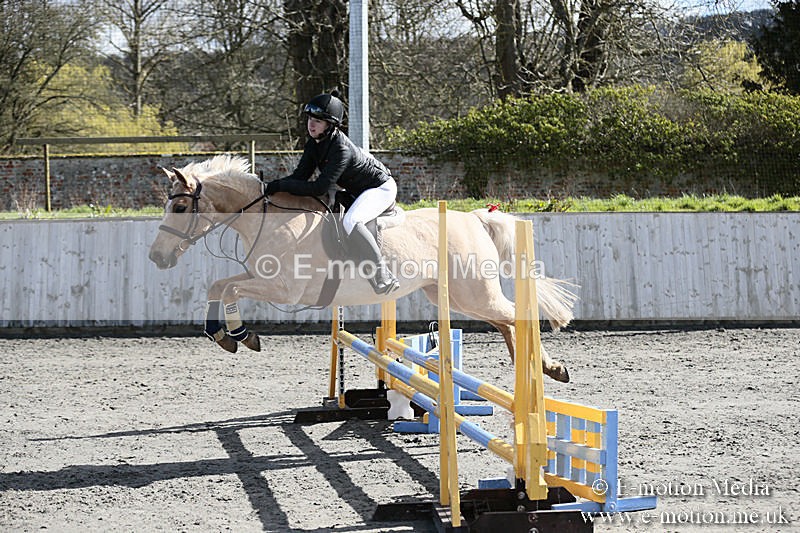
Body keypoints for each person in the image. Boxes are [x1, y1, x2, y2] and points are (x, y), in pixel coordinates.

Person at [264, 90, 400, 295]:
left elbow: (320, 187)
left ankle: (383, 274)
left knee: (351, 221)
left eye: (318, 121)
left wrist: (281, 185)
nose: (311, 124)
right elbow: (300, 177)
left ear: (330, 125)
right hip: (357, 189)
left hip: (379, 188)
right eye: (310, 119)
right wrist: (271, 187)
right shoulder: (314, 144)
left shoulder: (340, 149)